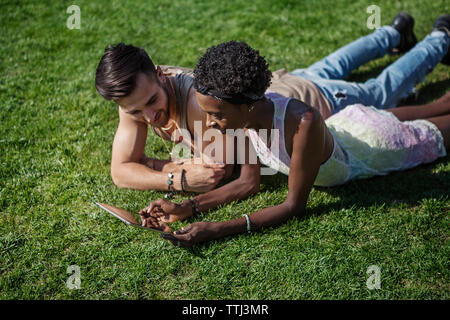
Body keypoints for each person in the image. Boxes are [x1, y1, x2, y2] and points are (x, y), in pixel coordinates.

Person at [140, 20, 450, 247]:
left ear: (245, 105)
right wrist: (186, 208)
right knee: (440, 103)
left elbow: (293, 205)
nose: (209, 124)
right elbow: (249, 182)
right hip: (351, 123)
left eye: (216, 115)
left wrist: (216, 229)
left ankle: (441, 36)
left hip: (377, 147)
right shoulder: (245, 120)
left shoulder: (303, 123)